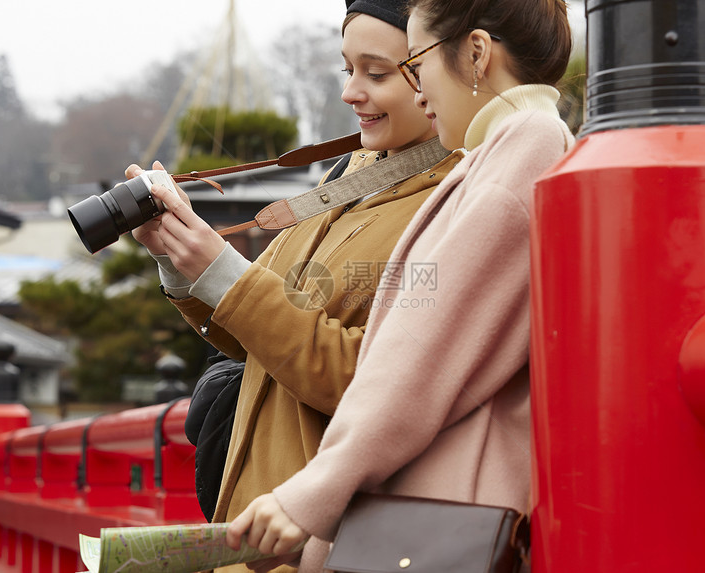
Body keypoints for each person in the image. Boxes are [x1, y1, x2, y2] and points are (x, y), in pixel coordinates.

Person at [225, 0, 574, 571]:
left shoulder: (525, 144)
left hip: (443, 507)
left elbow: (422, 347)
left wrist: (314, 493)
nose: (418, 93)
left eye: (415, 65)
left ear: (478, 54)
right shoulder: (505, 151)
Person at [125, 1, 461, 571]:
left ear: (441, 70)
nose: (351, 92)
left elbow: (379, 382)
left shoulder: (460, 200)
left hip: (335, 539)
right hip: (261, 524)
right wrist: (184, 262)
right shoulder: (347, 174)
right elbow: (259, 338)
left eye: (376, 73)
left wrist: (225, 275)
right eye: (346, 70)